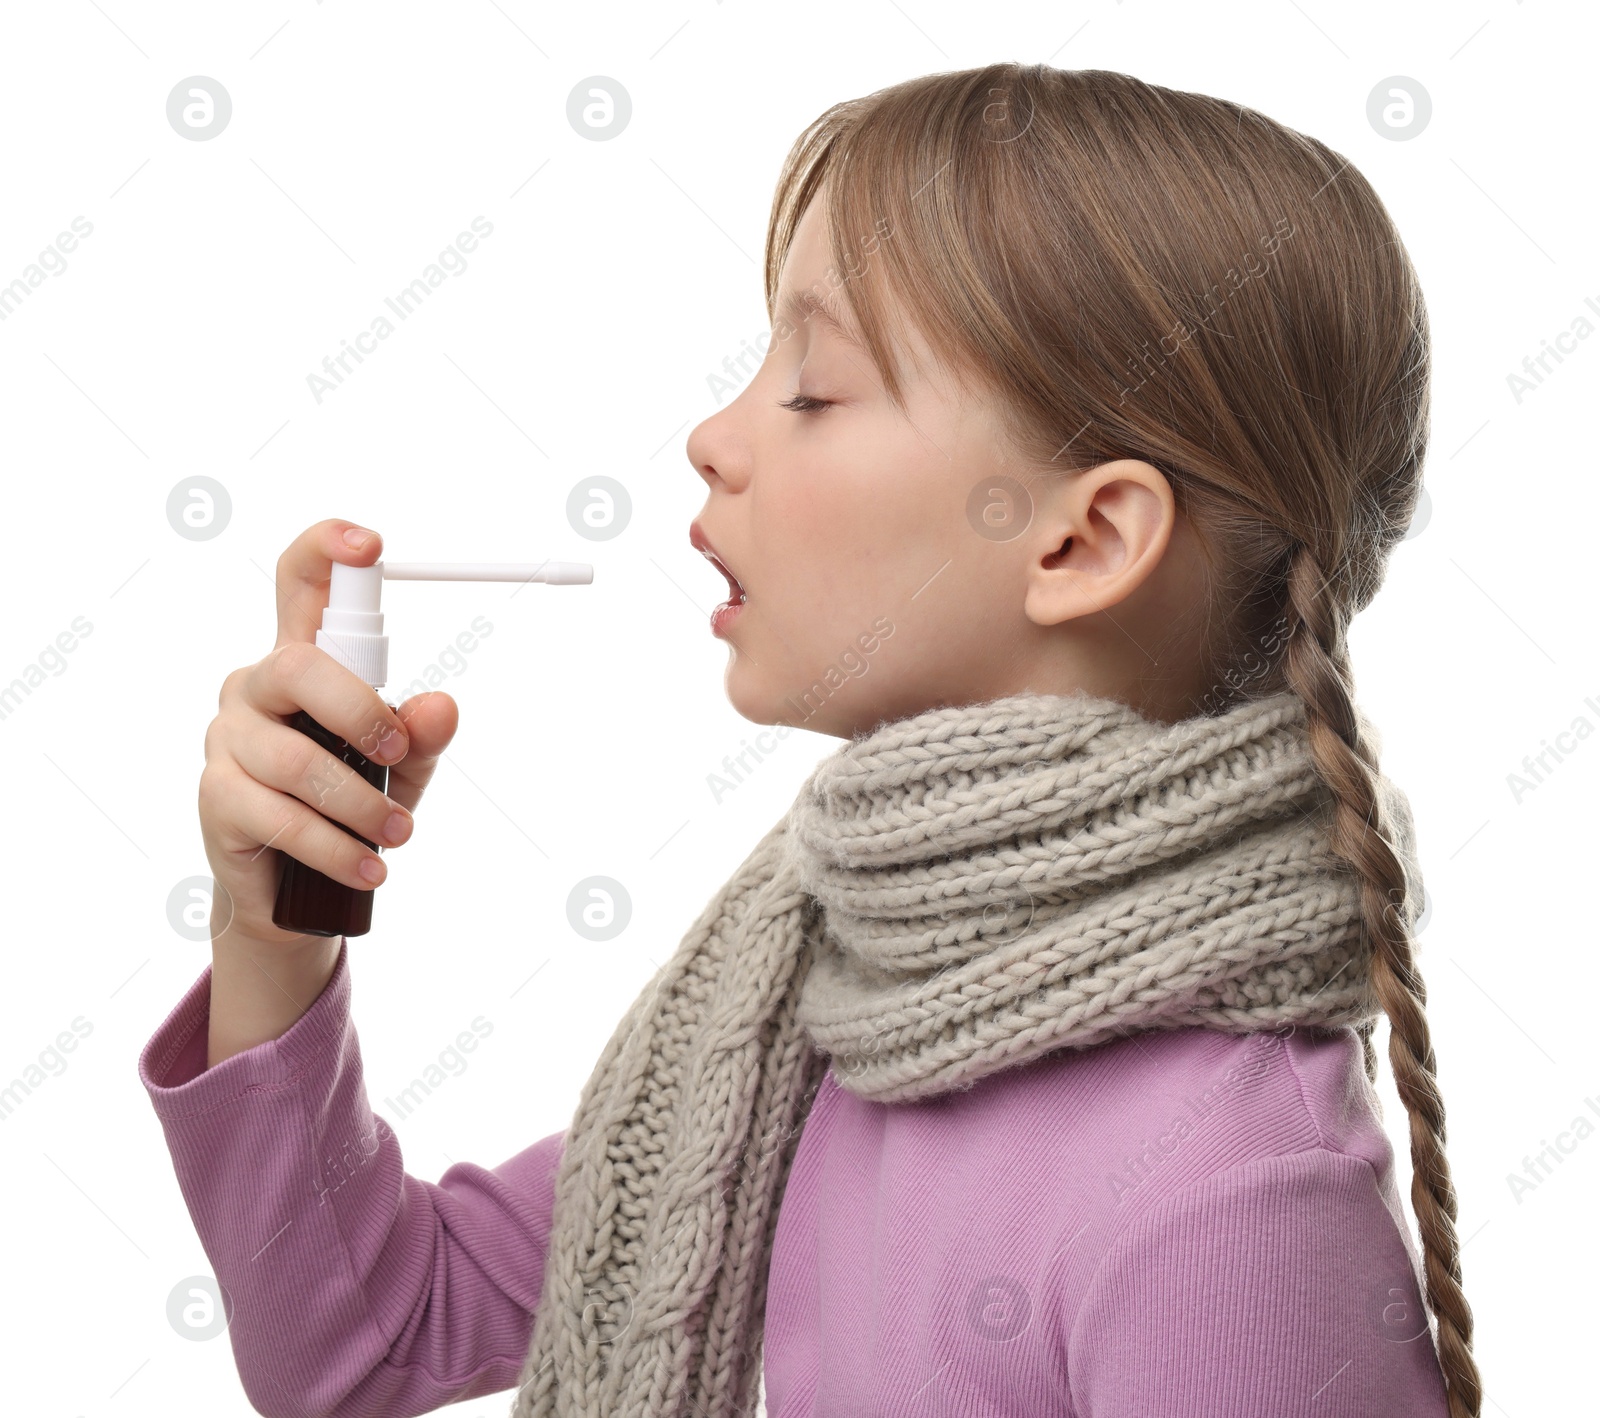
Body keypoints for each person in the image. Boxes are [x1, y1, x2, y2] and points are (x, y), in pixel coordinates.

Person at [139, 61, 1480, 1417]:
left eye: (816, 385)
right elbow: (365, 1336)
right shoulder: (801, 1014)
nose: (714, 437)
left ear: (1080, 537)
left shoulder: (1226, 1194)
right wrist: (274, 930)